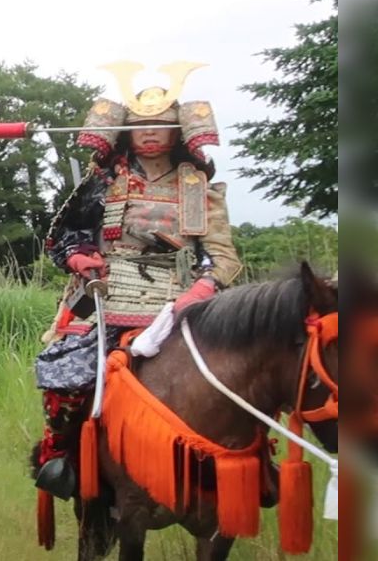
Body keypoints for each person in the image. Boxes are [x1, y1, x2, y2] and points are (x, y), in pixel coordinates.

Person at [32, 85, 242, 499]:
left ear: (178, 131)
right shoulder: (104, 181)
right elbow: (66, 234)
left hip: (182, 301)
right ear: (125, 132)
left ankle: (248, 461)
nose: (149, 133)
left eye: (160, 125)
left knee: (240, 375)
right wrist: (79, 257)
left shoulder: (197, 186)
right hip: (109, 295)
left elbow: (224, 258)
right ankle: (62, 458)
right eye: (140, 126)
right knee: (67, 377)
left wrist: (201, 289)